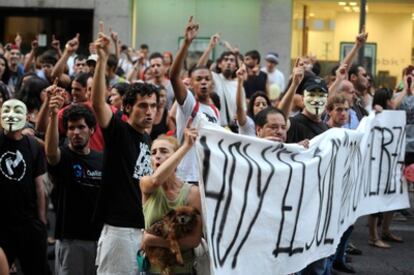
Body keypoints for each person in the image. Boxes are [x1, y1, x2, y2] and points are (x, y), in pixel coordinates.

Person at [91, 22, 159, 274]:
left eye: (153, 105)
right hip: (119, 231)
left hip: (139, 230)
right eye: (143, 105)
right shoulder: (119, 131)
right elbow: (97, 103)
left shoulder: (146, 140)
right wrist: (102, 60)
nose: (149, 111)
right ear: (127, 108)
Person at [45, 90, 103, 275]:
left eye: (81, 127)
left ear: (91, 130)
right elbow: (51, 153)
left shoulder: (102, 159)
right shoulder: (63, 156)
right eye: (71, 128)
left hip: (100, 239)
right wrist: (54, 115)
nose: (76, 132)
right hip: (71, 240)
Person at [141, 126, 202, 274]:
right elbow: (156, 181)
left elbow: (194, 240)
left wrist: (153, 240)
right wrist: (186, 146)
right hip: (152, 270)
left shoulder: (193, 193)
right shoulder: (146, 184)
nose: (157, 156)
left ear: (176, 158)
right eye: (153, 152)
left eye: (164, 151)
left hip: (183, 270)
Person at [0, 99, 49, 274]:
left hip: (28, 223)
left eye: (17, 111)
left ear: (27, 116)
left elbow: (39, 185)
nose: (11, 115)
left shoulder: (33, 145)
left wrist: (42, 221)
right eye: (6, 110)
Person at [170, 16, 220, 184]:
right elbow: (173, 76)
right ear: (190, 83)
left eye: (207, 78)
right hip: (186, 177)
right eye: (198, 79)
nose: (203, 81)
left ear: (212, 83)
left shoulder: (215, 111)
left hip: (208, 178)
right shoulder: (189, 104)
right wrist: (186, 43)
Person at [368, 88, 403, 249]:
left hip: (392, 164)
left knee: (393, 197)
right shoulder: (373, 114)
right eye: (390, 99)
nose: (393, 102)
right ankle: (373, 236)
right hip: (377, 165)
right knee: (376, 200)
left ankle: (386, 230)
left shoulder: (393, 116)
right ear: (385, 100)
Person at [197, 33, 241, 127]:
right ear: (220, 64)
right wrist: (210, 47)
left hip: (234, 130)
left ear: (236, 67)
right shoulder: (214, 77)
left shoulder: (238, 85)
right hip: (216, 126)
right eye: (225, 60)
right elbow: (199, 69)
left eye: (232, 60)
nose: (228, 62)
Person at [236, 64, 271, 136]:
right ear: (252, 108)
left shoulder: (271, 125)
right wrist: (240, 82)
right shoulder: (247, 123)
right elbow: (239, 107)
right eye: (257, 104)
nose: (261, 107)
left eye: (264, 104)